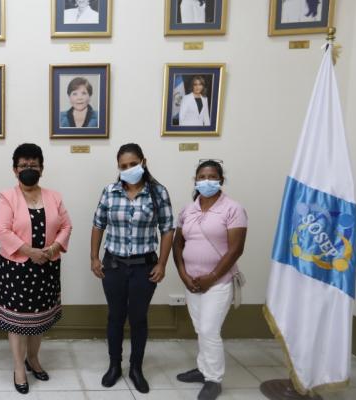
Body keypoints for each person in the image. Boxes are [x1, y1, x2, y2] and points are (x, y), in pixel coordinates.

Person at [90, 143, 175, 394]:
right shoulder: (110, 191)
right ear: (118, 167)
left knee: (138, 318)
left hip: (144, 267)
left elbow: (168, 228)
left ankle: (136, 368)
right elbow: (98, 224)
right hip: (113, 265)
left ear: (143, 162)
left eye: (133, 164)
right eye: (123, 166)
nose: (128, 169)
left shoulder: (157, 193)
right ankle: (114, 366)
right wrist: (94, 257)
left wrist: (162, 263)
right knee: (115, 316)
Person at [0, 143, 72, 394]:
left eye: (34, 165)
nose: (29, 169)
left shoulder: (54, 196)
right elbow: (2, 229)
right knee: (18, 321)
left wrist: (51, 250)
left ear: (42, 168)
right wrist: (30, 252)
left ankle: (34, 359)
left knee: (40, 319)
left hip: (47, 267)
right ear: (15, 170)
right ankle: (18, 367)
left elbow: (66, 226)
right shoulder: (7, 196)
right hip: (16, 268)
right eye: (24, 165)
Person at [172, 160, 247, 400]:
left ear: (221, 181)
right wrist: (184, 275)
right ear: (195, 181)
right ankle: (203, 369)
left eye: (212, 177)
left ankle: (214, 379)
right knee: (199, 327)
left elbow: (236, 249)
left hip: (219, 280)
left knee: (209, 329)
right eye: (202, 177)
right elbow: (177, 243)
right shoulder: (188, 210)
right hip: (192, 280)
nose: (206, 181)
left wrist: (212, 277)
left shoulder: (233, 209)